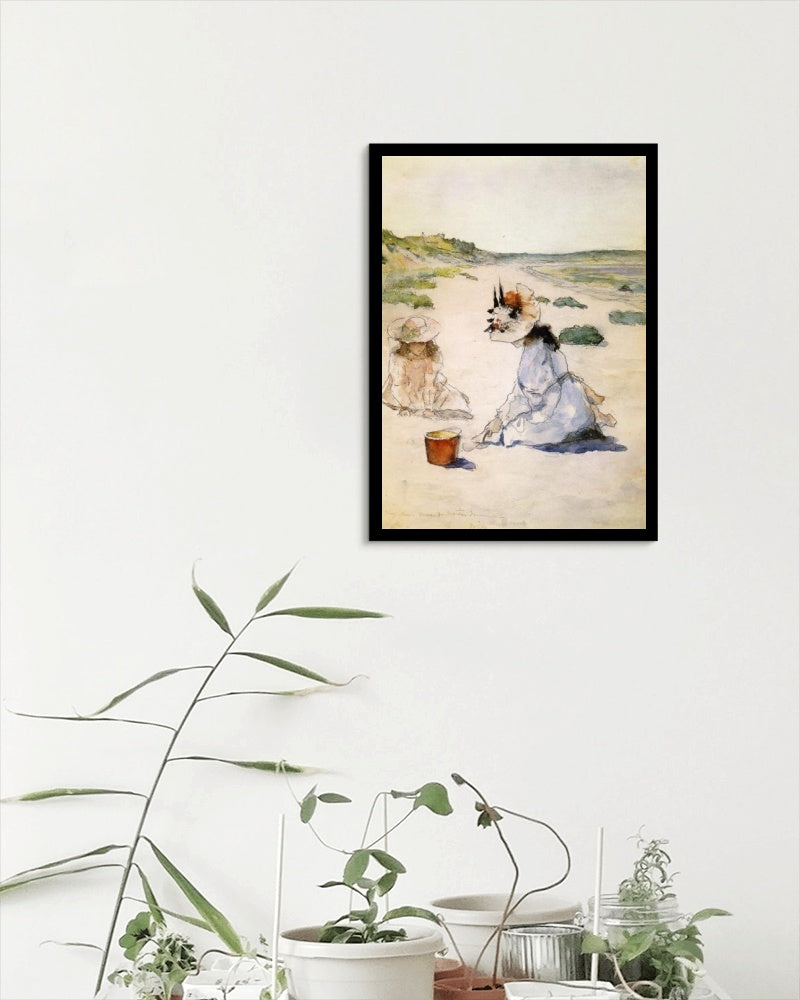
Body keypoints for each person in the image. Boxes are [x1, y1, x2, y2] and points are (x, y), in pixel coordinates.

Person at [474, 282, 614, 448]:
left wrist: (531, 419)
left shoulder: (539, 353)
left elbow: (548, 397)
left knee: (510, 435)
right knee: (508, 428)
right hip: (561, 406)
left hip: (564, 412)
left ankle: (581, 429)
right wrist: (498, 419)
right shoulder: (534, 348)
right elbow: (521, 393)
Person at [382, 315, 472, 419]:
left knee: (455, 402)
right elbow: (399, 384)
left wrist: (428, 408)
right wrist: (404, 406)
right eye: (413, 343)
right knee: (407, 409)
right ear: (406, 344)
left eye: (422, 343)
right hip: (404, 390)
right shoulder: (398, 358)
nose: (418, 347)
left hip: (428, 389)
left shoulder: (432, 356)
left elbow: (430, 384)